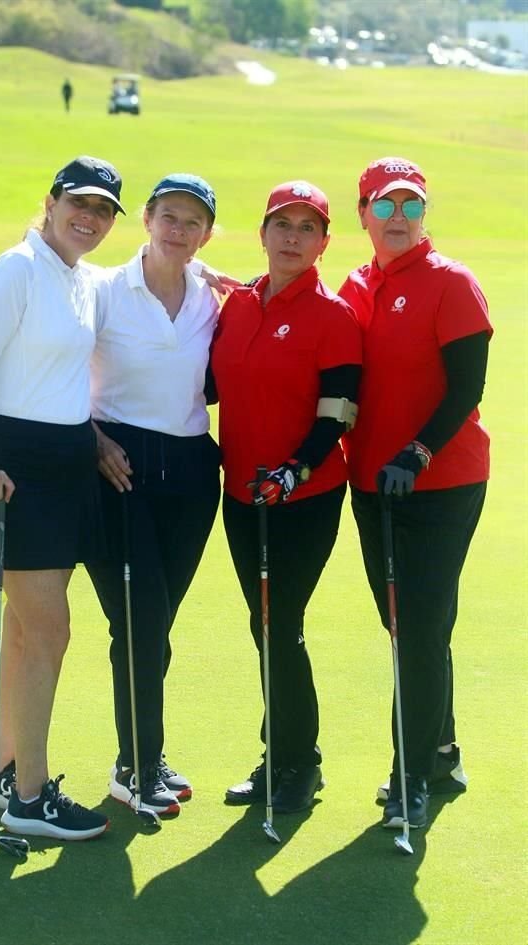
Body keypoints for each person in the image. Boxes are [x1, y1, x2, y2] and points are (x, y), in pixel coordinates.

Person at [0, 155, 126, 841]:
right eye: (78, 204)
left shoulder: (80, 278)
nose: (89, 217)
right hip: (13, 469)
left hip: (64, 465)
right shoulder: (14, 271)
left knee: (29, 631)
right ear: (50, 202)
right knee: (50, 629)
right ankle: (31, 794)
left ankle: (4, 771)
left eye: (104, 209)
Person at [338, 156, 492, 830]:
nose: (399, 218)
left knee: (419, 626)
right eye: (385, 205)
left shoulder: (451, 282)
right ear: (363, 213)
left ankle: (411, 778)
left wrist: (418, 451)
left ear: (424, 213)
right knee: (408, 624)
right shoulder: (355, 285)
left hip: (443, 480)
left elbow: (466, 389)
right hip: (372, 481)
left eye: (411, 205)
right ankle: (444, 750)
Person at [211, 181, 362, 814]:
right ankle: (280, 755)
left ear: (324, 242)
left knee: (281, 625)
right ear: (263, 233)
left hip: (304, 497)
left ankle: (301, 763)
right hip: (241, 494)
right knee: (262, 623)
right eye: (283, 224)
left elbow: (338, 414)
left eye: (307, 227)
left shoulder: (334, 317)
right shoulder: (237, 304)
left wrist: (294, 474)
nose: (293, 237)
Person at [86, 173, 222, 818]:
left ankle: (142, 755)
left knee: (156, 622)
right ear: (146, 218)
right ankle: (137, 766)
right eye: (169, 215)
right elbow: (54, 369)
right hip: (119, 467)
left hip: (194, 472)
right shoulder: (103, 290)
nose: (179, 228)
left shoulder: (213, 297)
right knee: (138, 621)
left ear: (207, 234)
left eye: (192, 221)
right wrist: (92, 439)